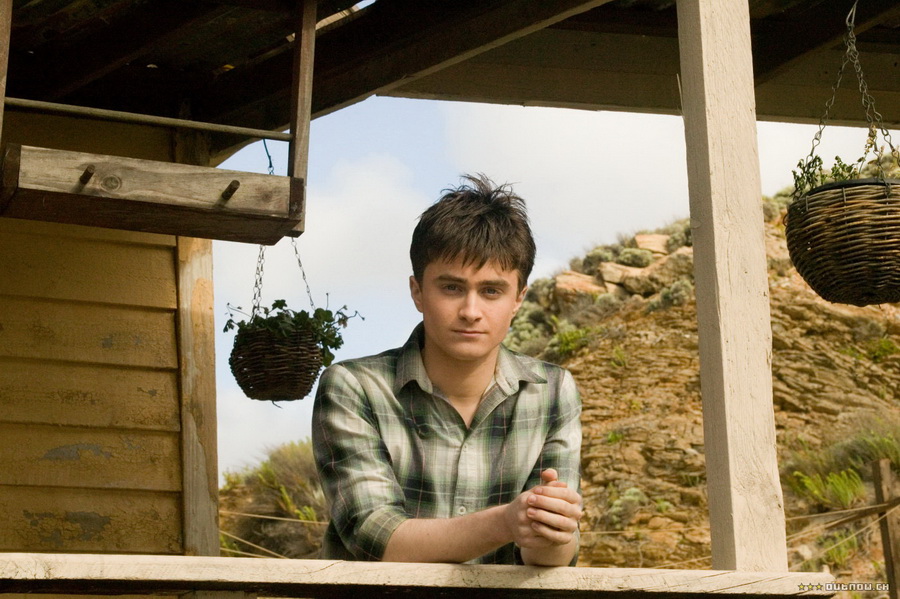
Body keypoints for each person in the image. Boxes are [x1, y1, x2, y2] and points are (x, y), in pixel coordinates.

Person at [312, 174, 582, 565]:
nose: (471, 311)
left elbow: (554, 557)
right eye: (452, 288)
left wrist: (549, 528)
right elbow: (374, 536)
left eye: (491, 291)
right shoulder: (354, 387)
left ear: (519, 299)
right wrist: (507, 522)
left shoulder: (553, 390)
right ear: (417, 292)